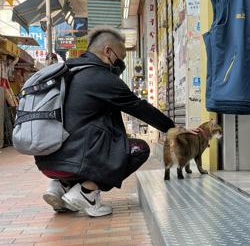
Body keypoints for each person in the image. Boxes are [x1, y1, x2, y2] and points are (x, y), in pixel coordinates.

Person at [35, 26, 200, 217]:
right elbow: (140, 108)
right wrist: (174, 128)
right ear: (107, 51)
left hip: (47, 159)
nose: (120, 64)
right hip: (74, 159)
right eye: (120, 58)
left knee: (95, 129)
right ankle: (86, 192)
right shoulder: (101, 78)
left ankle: (61, 186)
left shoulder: (67, 71)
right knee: (138, 149)